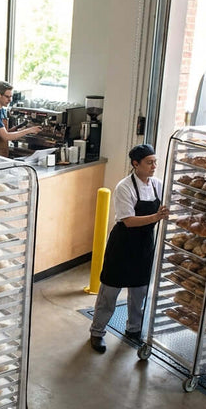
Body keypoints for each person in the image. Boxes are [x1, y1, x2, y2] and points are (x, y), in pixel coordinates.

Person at [89, 144, 169, 353]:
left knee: (140, 290)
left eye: (155, 162)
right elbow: (129, 221)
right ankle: (97, 332)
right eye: (149, 162)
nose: (154, 166)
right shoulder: (124, 187)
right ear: (136, 164)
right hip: (123, 243)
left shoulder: (157, 185)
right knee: (110, 291)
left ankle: (133, 329)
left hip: (144, 244)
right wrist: (156, 217)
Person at [0, 81, 41, 157]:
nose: (10, 100)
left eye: (11, 96)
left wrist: (19, 127)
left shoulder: (2, 110)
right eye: (7, 97)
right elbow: (6, 136)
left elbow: (3, 133)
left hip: (1, 156)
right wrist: (29, 130)